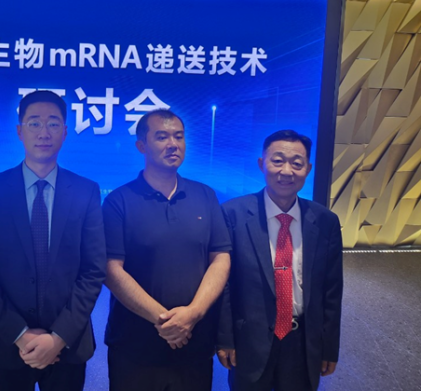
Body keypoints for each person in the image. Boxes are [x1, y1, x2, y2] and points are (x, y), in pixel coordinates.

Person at [0, 90, 106, 391]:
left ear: (65, 132)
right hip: (5, 344)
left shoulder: (86, 191)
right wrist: (20, 334)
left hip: (67, 346)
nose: (44, 133)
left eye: (53, 124)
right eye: (34, 123)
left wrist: (58, 338)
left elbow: (93, 271)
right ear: (20, 131)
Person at [103, 109, 231, 391]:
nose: (173, 144)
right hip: (134, 346)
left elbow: (220, 258)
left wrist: (193, 314)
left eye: (179, 136)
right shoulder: (118, 201)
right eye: (162, 137)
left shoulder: (205, 196)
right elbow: (111, 271)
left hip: (194, 342)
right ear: (141, 146)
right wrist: (166, 322)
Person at [217, 130, 343, 391]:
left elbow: (332, 291)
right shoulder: (232, 214)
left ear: (308, 169)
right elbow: (224, 284)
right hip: (249, 340)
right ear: (262, 164)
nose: (286, 171)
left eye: (296, 163)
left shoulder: (325, 221)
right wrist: (225, 338)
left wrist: (329, 346)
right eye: (277, 161)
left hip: (303, 342)